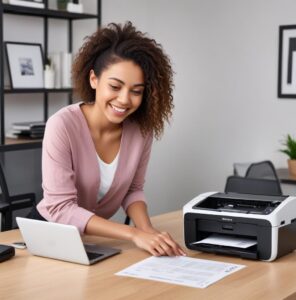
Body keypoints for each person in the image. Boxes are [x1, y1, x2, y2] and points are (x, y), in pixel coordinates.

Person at [34, 22, 186, 257]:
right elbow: (61, 208)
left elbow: (133, 190)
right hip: (50, 236)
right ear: (94, 79)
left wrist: (147, 230)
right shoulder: (62, 125)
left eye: (136, 91)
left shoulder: (140, 131)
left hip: (93, 241)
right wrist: (133, 234)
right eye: (115, 86)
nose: (125, 100)